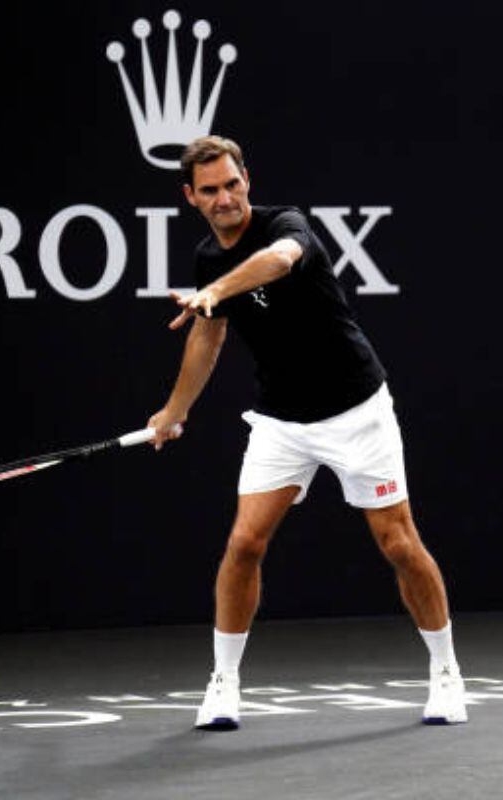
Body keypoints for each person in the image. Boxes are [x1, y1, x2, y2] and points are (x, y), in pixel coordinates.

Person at [147, 135, 467, 730]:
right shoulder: (206, 258)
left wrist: (217, 291)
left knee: (398, 542)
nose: (225, 198)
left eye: (233, 183)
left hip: (356, 409)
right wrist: (173, 411)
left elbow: (280, 261)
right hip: (282, 421)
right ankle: (223, 682)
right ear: (190, 196)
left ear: (248, 179)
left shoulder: (286, 225)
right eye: (210, 190)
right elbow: (208, 337)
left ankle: (446, 672)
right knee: (244, 544)